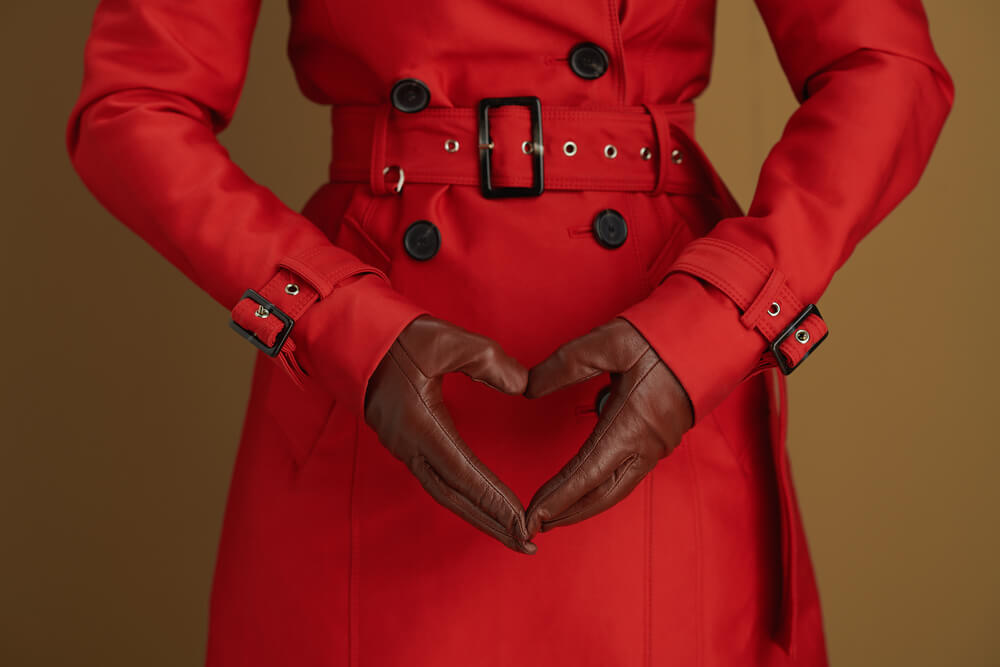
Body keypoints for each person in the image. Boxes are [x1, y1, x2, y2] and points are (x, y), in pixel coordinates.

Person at [65, 0, 953, 665]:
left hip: (658, 358)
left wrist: (717, 318)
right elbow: (133, 106)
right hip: (374, 369)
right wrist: (338, 320)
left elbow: (887, 67)